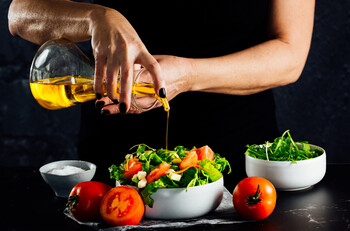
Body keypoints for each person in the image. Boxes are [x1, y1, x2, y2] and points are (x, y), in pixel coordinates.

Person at [8, 0, 315, 191]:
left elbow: (290, 55)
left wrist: (188, 75)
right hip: (116, 168)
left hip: (238, 170)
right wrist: (95, 18)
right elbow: (20, 13)